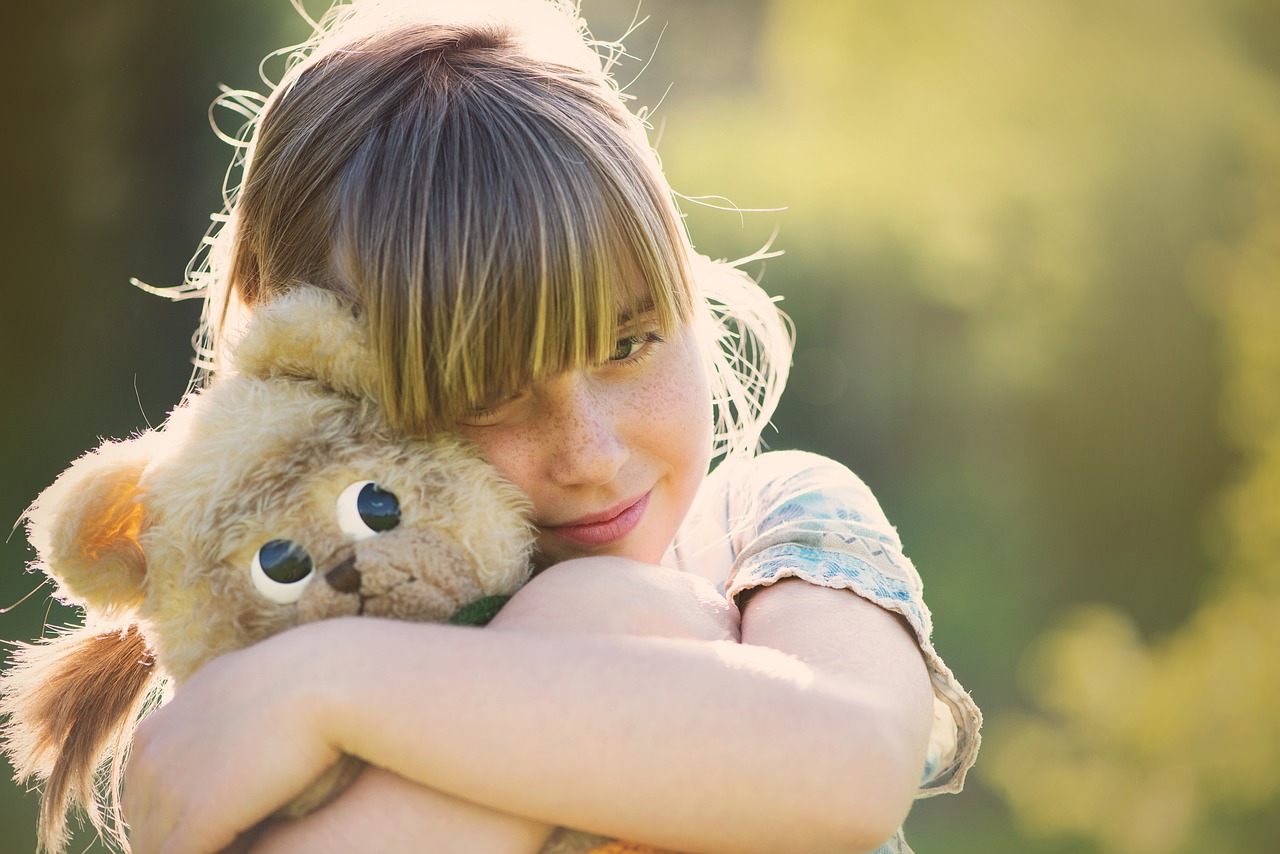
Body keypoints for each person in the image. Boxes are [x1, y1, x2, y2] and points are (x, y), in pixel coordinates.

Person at [122, 1, 981, 852]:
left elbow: (852, 763)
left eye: (627, 344)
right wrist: (597, 623)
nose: (591, 455)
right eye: (486, 395)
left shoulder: (765, 529)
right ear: (311, 383)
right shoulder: (247, 710)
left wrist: (330, 689)